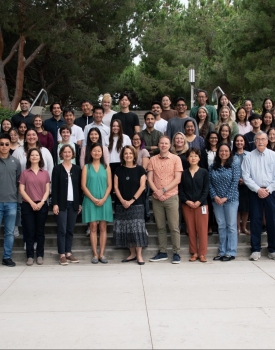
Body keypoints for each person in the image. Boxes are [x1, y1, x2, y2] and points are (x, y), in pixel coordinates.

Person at [148, 136, 183, 263]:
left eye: (166, 143)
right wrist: (157, 192)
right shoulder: (152, 159)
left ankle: (176, 253)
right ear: (158, 144)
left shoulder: (176, 159)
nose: (163, 145)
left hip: (171, 196)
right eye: (161, 143)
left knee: (174, 227)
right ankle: (162, 252)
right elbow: (149, 179)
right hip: (157, 198)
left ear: (170, 145)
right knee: (160, 226)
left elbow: (177, 179)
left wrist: (163, 190)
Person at [242, 131, 275, 261]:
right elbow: (246, 176)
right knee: (255, 220)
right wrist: (257, 189)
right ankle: (255, 249)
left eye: (263, 139)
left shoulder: (273, 155)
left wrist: (269, 189)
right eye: (258, 139)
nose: (260, 141)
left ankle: (272, 249)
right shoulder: (249, 157)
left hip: (270, 192)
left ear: (267, 141)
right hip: (255, 192)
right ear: (254, 142)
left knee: (272, 220)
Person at [113, 145, 147, 264]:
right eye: (126, 153)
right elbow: (115, 187)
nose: (128, 155)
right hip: (121, 205)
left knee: (137, 229)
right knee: (127, 229)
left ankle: (139, 255)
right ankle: (132, 253)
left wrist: (131, 200)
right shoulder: (118, 170)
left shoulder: (140, 169)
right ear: (123, 155)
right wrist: (122, 200)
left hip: (137, 204)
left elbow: (142, 186)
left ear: (134, 155)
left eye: (130, 153)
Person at [81, 143, 113, 264]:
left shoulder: (106, 167)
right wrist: (93, 198)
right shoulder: (86, 167)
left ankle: (102, 254)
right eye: (94, 151)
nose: (96, 153)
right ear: (90, 152)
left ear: (102, 153)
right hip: (90, 200)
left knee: (103, 227)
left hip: (104, 200)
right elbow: (83, 186)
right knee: (93, 227)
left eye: (99, 151)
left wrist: (104, 198)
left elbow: (110, 185)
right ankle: (95, 254)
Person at [52, 145, 82, 266]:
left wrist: (79, 203)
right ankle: (62, 254)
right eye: (65, 152)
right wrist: (55, 204)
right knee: (62, 229)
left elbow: (79, 188)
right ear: (61, 154)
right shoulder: (57, 169)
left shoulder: (77, 169)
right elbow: (54, 188)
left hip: (73, 203)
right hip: (61, 203)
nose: (67, 154)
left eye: (69, 152)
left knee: (70, 229)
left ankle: (68, 252)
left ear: (72, 154)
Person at [19, 148, 50, 266]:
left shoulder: (45, 173)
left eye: (37, 155)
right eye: (32, 155)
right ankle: (30, 256)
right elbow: (21, 190)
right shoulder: (25, 173)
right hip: (28, 205)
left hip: (42, 204)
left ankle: (40, 255)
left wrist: (42, 202)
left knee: (40, 231)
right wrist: (32, 202)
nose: (34, 157)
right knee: (30, 231)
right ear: (29, 158)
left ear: (40, 157)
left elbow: (47, 190)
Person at [209, 143, 240, 261]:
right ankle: (222, 252)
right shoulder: (213, 166)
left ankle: (231, 252)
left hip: (231, 200)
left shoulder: (234, 165)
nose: (224, 153)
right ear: (218, 152)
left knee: (231, 226)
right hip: (217, 201)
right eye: (221, 151)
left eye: (226, 151)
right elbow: (209, 183)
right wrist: (215, 196)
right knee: (221, 226)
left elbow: (234, 182)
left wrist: (226, 197)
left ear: (230, 152)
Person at [179, 148, 209, 262]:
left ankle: (202, 253)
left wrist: (199, 202)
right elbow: (181, 190)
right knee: (191, 229)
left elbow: (206, 190)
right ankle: (194, 252)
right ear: (187, 158)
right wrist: (187, 201)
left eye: (195, 156)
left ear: (199, 158)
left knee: (202, 229)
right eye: (191, 156)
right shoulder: (184, 173)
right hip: (187, 205)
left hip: (201, 205)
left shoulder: (204, 172)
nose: (193, 158)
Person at [0, 133, 21, 267]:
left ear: (10, 146)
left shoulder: (16, 162)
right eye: (1, 144)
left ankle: (7, 257)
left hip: (12, 203)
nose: (4, 147)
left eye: (7, 144)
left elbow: (19, 183)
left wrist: (18, 201)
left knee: (9, 232)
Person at [104, 119, 131, 187]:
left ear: (120, 127)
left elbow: (130, 151)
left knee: (122, 185)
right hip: (109, 165)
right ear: (111, 127)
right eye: (113, 126)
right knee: (111, 185)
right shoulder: (106, 138)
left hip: (122, 164)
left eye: (117, 126)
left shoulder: (126, 138)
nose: (115, 128)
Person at [232, 134, 250, 235]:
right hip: (235, 184)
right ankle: (237, 227)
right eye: (237, 141)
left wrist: (245, 180)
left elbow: (252, 169)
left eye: (241, 141)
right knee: (237, 207)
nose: (239, 143)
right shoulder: (231, 155)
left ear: (244, 142)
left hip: (247, 184)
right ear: (234, 143)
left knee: (246, 207)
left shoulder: (249, 154)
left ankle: (244, 227)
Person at [132, 132, 150, 222]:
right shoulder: (130, 151)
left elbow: (144, 168)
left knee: (143, 200)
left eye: (138, 139)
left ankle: (145, 219)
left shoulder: (144, 151)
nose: (136, 141)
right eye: (134, 139)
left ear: (142, 140)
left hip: (141, 179)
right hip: (132, 180)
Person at [205, 131, 220, 234]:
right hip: (208, 179)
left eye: (215, 137)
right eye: (211, 137)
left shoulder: (221, 150)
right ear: (208, 139)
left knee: (219, 204)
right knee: (209, 204)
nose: (213, 139)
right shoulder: (204, 151)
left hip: (221, 180)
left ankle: (220, 226)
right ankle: (209, 225)